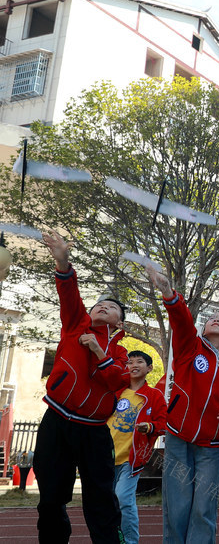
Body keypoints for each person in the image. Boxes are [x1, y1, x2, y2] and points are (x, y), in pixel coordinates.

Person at [33, 230, 129, 543]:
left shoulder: (121, 353)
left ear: (119, 323)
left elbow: (117, 381)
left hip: (94, 431)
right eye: (99, 304)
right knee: (51, 496)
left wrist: (99, 352)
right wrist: (62, 262)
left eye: (111, 307)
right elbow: (69, 293)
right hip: (57, 420)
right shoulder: (75, 325)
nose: (103, 306)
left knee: (101, 501)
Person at [145, 263, 219, 544]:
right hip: (178, 437)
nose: (215, 319)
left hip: (212, 446)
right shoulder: (190, 346)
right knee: (177, 503)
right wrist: (168, 292)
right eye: (211, 317)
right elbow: (181, 321)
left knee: (204, 507)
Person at [108, 350, 167, 544]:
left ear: (149, 368)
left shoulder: (154, 395)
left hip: (131, 459)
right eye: (130, 362)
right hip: (105, 457)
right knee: (106, 503)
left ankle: (130, 541)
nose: (133, 365)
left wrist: (149, 427)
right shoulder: (115, 391)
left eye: (139, 362)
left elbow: (164, 424)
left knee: (123, 498)